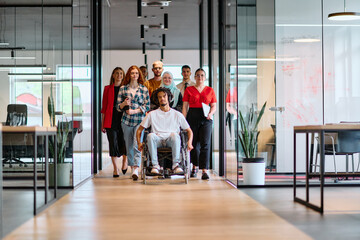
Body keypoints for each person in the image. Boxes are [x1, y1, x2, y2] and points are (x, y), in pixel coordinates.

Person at [136, 87, 193, 174]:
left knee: (175, 135)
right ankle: (155, 165)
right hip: (157, 140)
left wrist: (189, 142)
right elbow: (139, 130)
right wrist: (139, 143)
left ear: (169, 97)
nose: (162, 99)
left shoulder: (177, 114)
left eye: (164, 96)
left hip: (171, 140)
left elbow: (189, 131)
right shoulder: (152, 114)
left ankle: (176, 165)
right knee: (150, 135)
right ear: (157, 99)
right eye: (159, 97)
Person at [182, 68, 217, 180]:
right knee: (193, 144)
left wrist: (211, 113)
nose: (200, 77)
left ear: (205, 77)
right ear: (195, 77)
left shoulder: (210, 90)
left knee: (205, 144)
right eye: (198, 75)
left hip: (206, 117)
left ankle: (204, 170)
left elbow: (214, 105)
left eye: (202, 75)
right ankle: (194, 167)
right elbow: (184, 107)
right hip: (192, 116)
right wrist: (183, 120)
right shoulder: (189, 89)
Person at [117, 65, 150, 181]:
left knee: (137, 144)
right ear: (129, 75)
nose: (134, 75)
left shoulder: (144, 89)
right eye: (132, 73)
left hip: (139, 121)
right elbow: (118, 107)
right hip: (126, 121)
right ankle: (132, 167)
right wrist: (124, 105)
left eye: (136, 73)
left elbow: (147, 106)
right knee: (129, 145)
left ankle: (136, 168)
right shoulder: (123, 89)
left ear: (139, 75)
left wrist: (134, 111)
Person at [101, 67, 128, 177]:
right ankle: (115, 168)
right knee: (113, 143)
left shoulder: (126, 88)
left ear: (123, 75)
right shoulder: (107, 88)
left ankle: (125, 162)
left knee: (124, 142)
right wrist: (102, 123)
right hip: (110, 119)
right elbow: (104, 107)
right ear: (113, 75)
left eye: (121, 73)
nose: (119, 75)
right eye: (116, 73)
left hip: (123, 119)